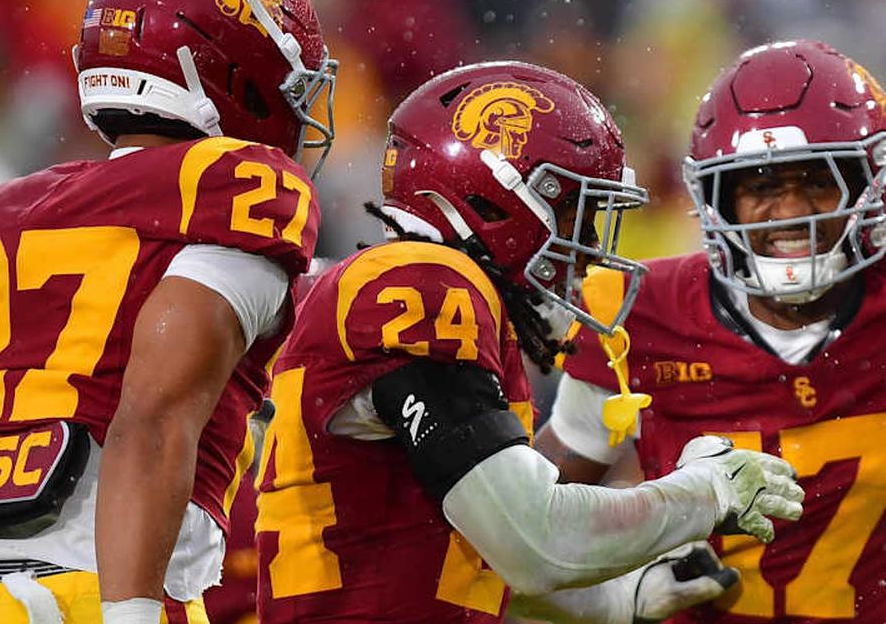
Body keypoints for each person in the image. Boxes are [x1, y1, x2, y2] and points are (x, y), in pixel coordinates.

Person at [254, 61, 804, 624]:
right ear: (497, 201)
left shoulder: (433, 300)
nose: (588, 250)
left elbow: (470, 546)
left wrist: (619, 597)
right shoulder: (421, 284)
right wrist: (706, 491)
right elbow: (533, 541)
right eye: (575, 216)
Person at [0, 0, 336, 623]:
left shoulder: (4, 212)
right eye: (291, 84)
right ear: (229, 67)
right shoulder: (231, 188)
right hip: (113, 591)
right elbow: (152, 417)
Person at [536, 39, 886, 624]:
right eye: (763, 185)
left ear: (866, 186)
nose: (791, 211)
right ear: (719, 198)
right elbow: (532, 523)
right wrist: (621, 593)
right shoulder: (640, 314)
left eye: (818, 179)